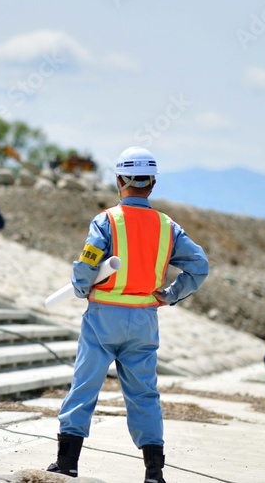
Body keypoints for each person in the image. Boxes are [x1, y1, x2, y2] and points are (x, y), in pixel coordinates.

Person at [48, 147, 209, 483]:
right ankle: (153, 472)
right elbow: (199, 266)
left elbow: (87, 264)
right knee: (143, 394)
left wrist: (81, 287)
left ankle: (67, 463)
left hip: (103, 317)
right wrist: (170, 294)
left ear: (119, 179)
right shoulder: (167, 227)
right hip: (144, 320)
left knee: (85, 387)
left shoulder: (106, 220)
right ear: (152, 184)